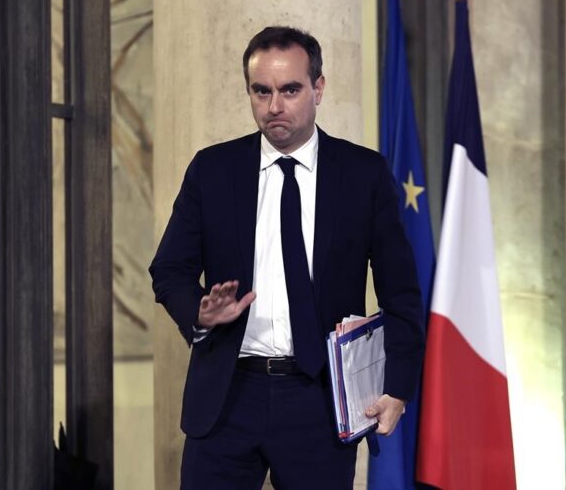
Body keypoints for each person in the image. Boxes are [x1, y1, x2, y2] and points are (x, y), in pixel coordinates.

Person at [150, 26, 424, 490]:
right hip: (226, 397)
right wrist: (199, 310)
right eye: (262, 91)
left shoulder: (362, 174)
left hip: (318, 399)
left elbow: (401, 292)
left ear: (318, 88)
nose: (274, 105)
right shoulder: (212, 169)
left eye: (290, 90)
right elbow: (169, 270)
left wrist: (397, 387)